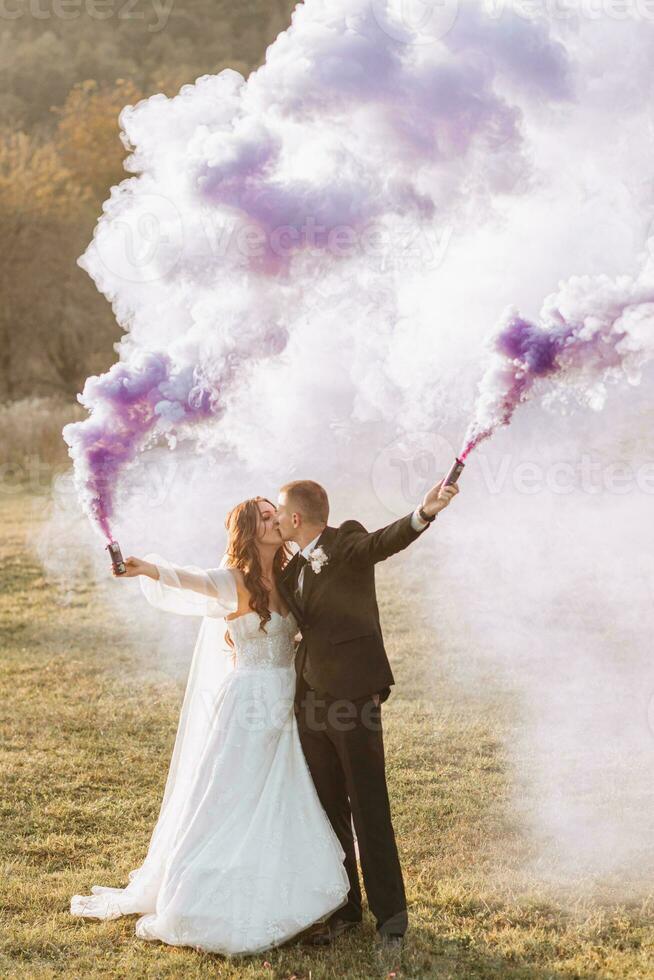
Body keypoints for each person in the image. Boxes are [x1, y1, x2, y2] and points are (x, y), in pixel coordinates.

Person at [69, 497, 350, 956]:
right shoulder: (232, 580)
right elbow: (189, 579)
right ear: (248, 528)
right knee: (234, 795)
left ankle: (282, 880)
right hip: (249, 703)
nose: (273, 518)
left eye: (273, 511)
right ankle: (207, 893)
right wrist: (147, 568)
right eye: (263, 515)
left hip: (288, 699)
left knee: (282, 792)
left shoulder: (289, 574)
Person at [275, 477, 459, 946]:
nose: (275, 519)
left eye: (279, 512)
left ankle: (391, 918)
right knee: (329, 808)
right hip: (310, 702)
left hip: (353, 700)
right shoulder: (287, 567)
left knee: (368, 807)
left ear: (296, 518)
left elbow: (383, 542)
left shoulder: (345, 542)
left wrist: (424, 512)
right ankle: (344, 910)